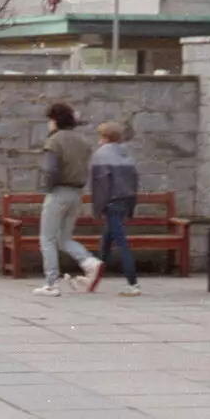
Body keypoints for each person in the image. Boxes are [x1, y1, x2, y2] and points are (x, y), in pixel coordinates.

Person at [34, 102, 102, 298]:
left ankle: (51, 283)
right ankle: (91, 263)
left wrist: (46, 188)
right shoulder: (82, 141)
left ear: (54, 120)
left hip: (58, 192)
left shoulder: (54, 141)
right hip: (77, 193)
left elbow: (50, 169)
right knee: (64, 238)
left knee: (47, 238)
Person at [87, 121, 141, 296]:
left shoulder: (101, 155)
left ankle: (132, 283)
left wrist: (98, 208)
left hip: (111, 202)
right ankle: (93, 279)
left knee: (122, 242)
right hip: (126, 200)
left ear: (104, 137)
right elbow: (134, 180)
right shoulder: (127, 154)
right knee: (107, 241)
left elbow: (100, 184)